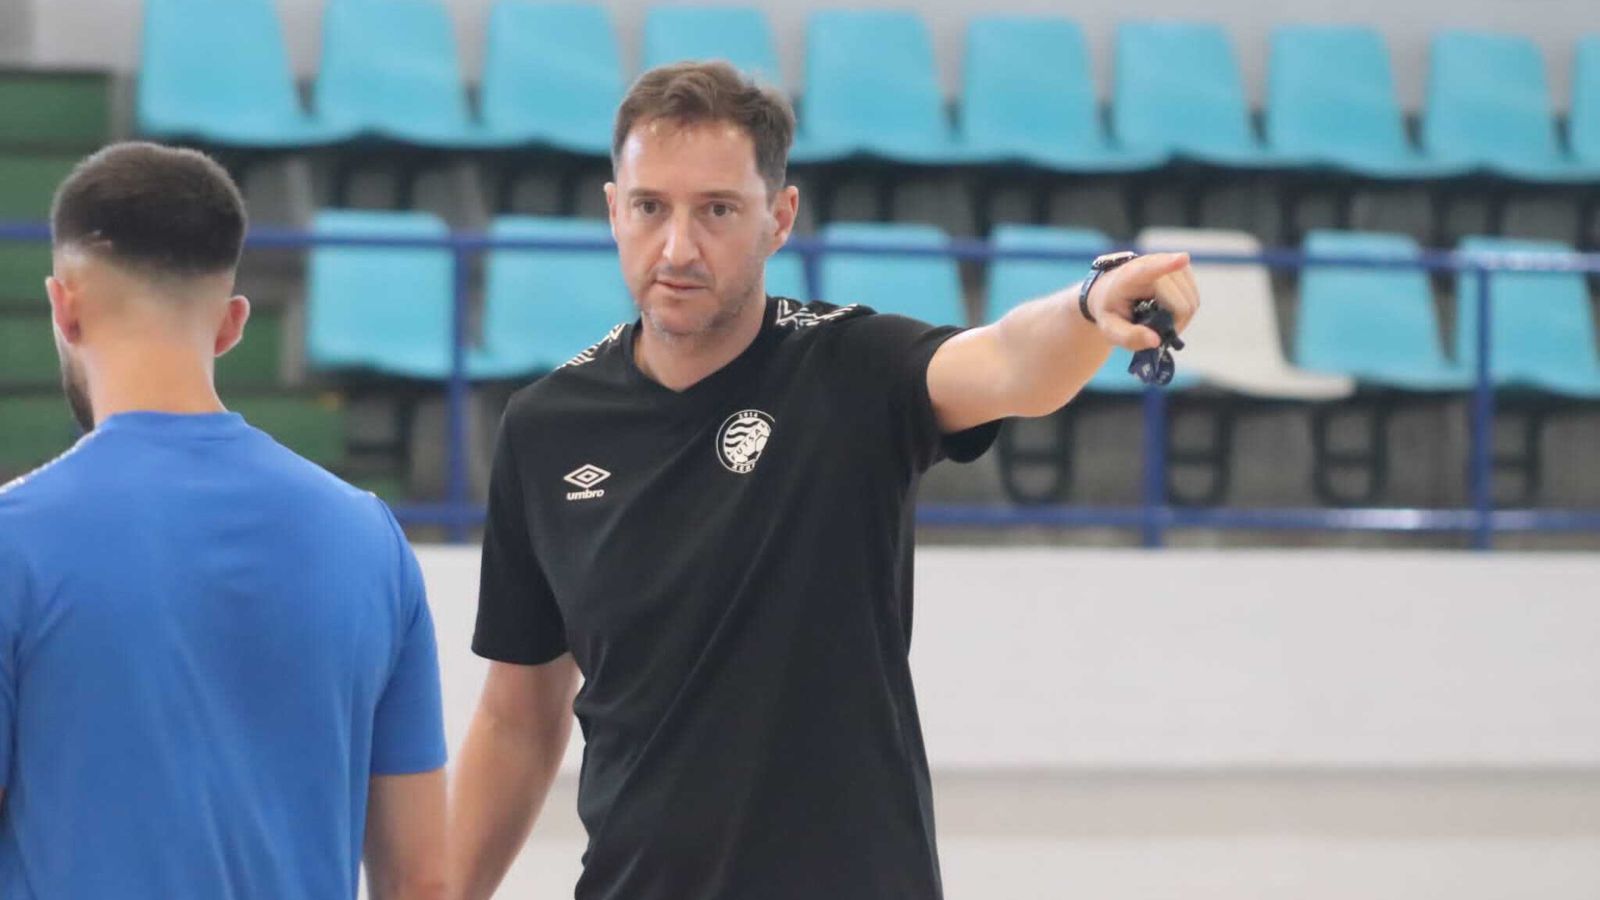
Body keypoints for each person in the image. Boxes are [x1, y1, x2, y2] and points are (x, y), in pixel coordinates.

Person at [449, 62, 1199, 900]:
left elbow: (1013, 364)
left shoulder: (853, 370)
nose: (678, 247)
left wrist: (1089, 305)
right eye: (650, 206)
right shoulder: (547, 426)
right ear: (613, 210)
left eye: (718, 210)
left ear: (780, 218)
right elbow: (517, 716)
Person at [0, 142, 448, 899]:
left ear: (65, 306)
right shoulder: (371, 541)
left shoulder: (15, 543)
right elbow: (425, 883)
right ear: (232, 323)